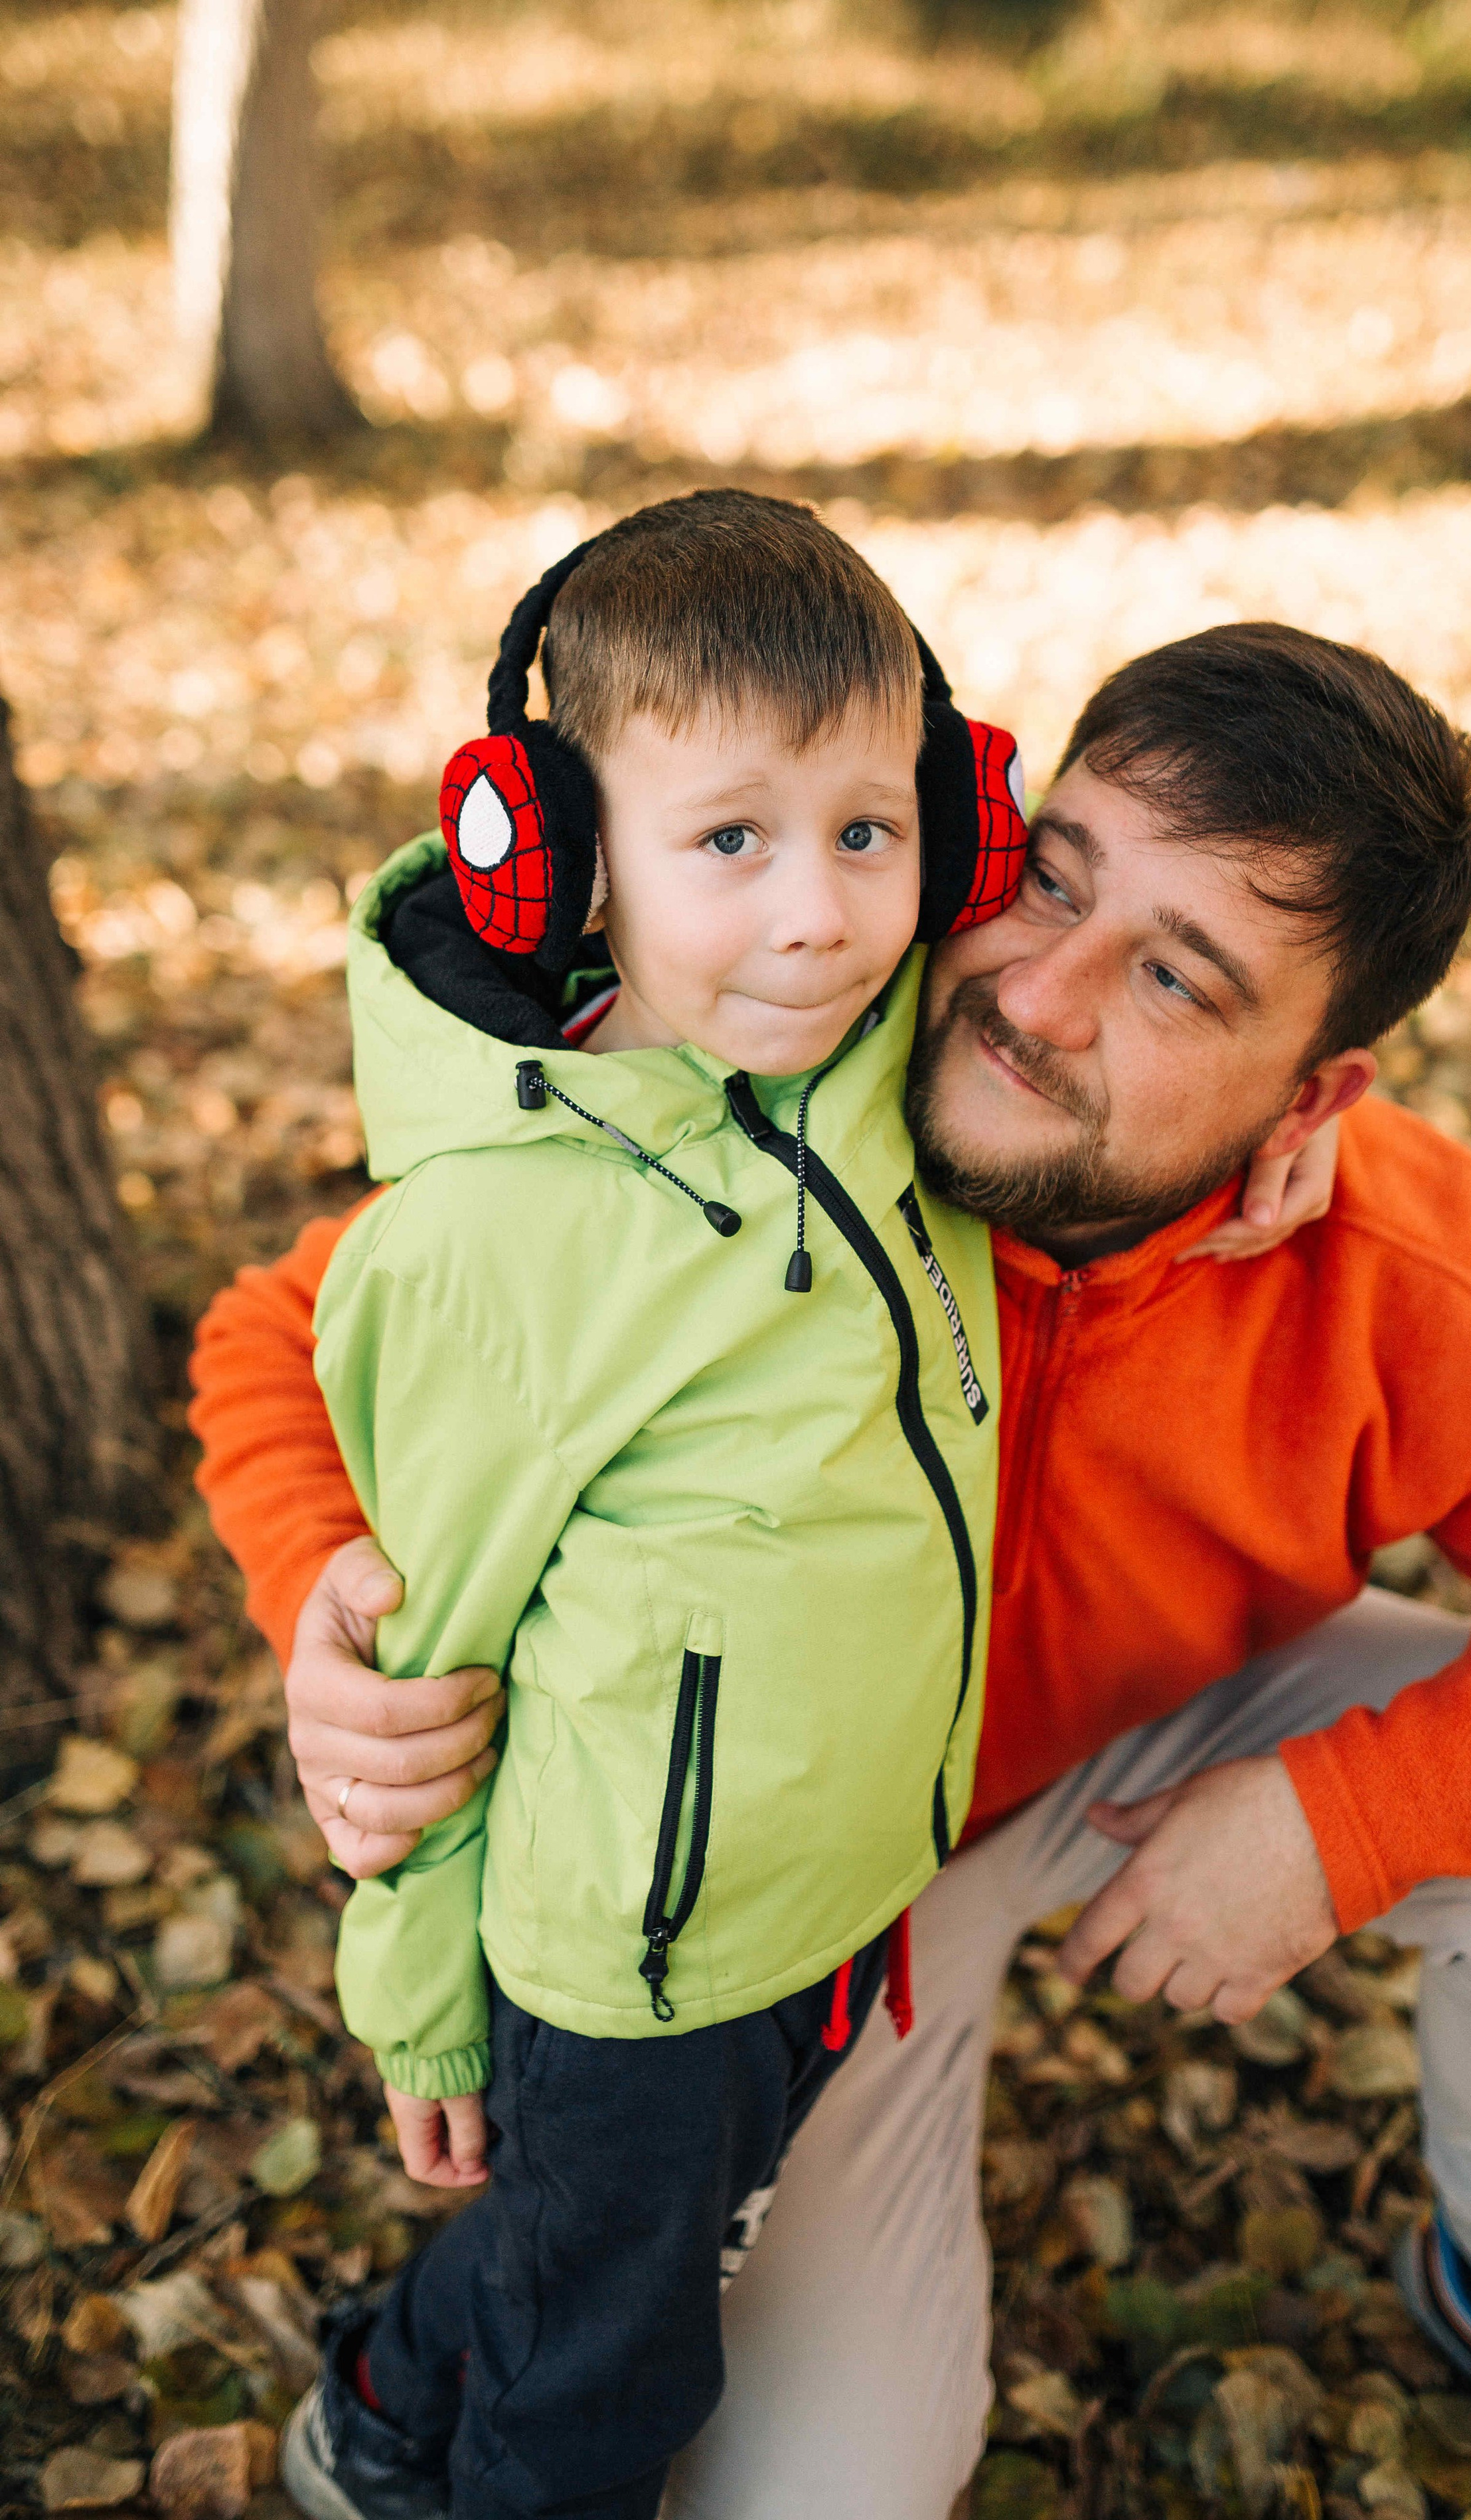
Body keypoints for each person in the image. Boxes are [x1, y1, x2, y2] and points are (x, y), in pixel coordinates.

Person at [191, 621, 1471, 2520]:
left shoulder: (1411, 1276)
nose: (1040, 999)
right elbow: (285, 1329)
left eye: (1177, 975)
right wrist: (323, 1593)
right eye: (1054, 876)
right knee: (826, 2493)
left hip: (1148, 1725)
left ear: (1313, 1102)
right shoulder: (777, 1073)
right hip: (805, 1868)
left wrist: (1337, 1817)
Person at [273, 487, 1044, 2520]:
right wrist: (424, 2010)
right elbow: (427, 1652)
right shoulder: (487, 1246)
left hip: (828, 1888)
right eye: (730, 841)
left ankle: (375, 2406)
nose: (817, 911)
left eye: (869, 831)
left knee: (605, 2262)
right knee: (611, 2376)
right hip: (628, 1954)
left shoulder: (877, 1068)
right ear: (557, 865)